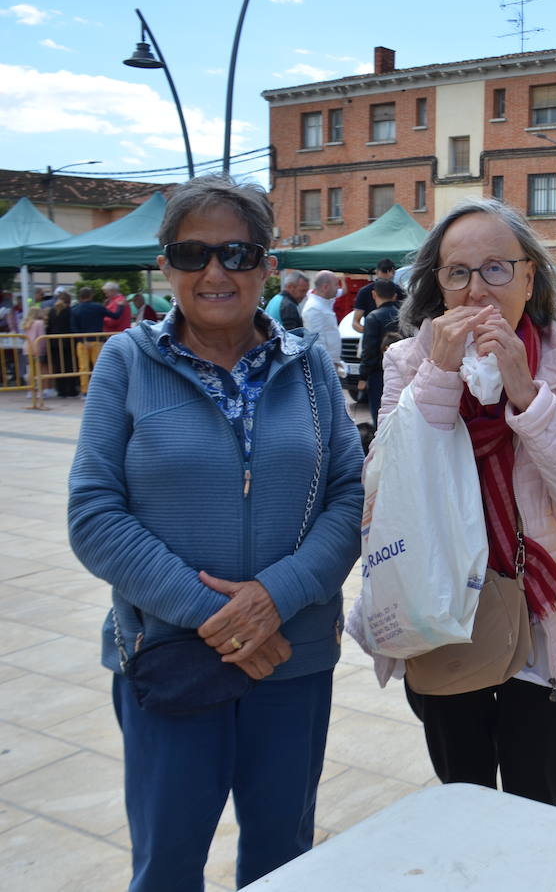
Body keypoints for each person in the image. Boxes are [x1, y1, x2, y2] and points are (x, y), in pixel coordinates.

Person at [67, 175, 364, 890]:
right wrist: (222, 620)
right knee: (167, 863)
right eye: (191, 252)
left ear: (268, 265)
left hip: (290, 658)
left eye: (236, 252)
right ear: (164, 266)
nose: (214, 272)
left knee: (282, 858)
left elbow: (350, 496)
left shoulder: (311, 365)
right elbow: (94, 513)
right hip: (173, 656)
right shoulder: (127, 363)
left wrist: (275, 598)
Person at [367, 197, 556, 805]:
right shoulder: (407, 361)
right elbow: (379, 491)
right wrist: (440, 377)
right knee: (464, 798)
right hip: (443, 613)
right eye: (459, 273)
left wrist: (527, 394)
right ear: (439, 285)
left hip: (541, 622)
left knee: (538, 800)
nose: (478, 290)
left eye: (496, 269)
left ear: (529, 275)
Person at [358, 277, 400, 425]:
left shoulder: (373, 317)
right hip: (402, 370)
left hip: (378, 373)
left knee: (380, 414)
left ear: (374, 295)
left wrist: (363, 376)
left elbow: (369, 350)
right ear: (395, 296)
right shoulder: (403, 315)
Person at [302, 270, 343, 375]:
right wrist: (328, 366)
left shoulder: (323, 303)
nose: (338, 288)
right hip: (324, 367)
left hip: (330, 364)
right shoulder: (314, 308)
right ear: (325, 287)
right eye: (336, 285)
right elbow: (317, 342)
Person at [350, 257, 400, 333]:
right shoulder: (365, 291)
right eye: (384, 271)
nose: (387, 274)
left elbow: (355, 323)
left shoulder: (399, 290)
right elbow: (355, 323)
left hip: (394, 337)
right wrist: (371, 332)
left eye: (389, 272)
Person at [46, 290, 79, 397]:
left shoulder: (52, 311)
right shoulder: (70, 311)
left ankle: (61, 390)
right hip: (68, 342)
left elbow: (49, 327)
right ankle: (71, 390)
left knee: (58, 367)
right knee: (70, 366)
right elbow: (72, 326)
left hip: (54, 343)